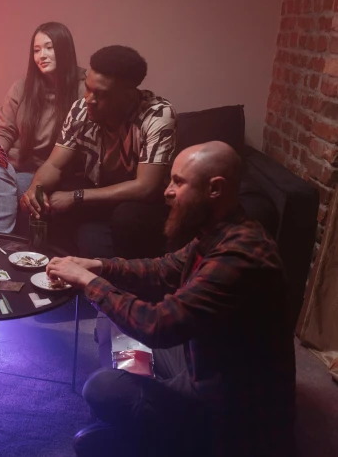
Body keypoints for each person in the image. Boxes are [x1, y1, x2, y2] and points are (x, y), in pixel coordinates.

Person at [47, 142, 296, 457]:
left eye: (178, 182)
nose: (166, 191)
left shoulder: (240, 256)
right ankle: (136, 412)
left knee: (103, 387)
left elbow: (157, 325)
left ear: (215, 189)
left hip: (228, 409)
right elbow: (163, 269)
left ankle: (158, 434)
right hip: (205, 359)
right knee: (110, 313)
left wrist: (88, 281)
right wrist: (98, 266)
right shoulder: (220, 231)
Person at [20, 44, 176, 260]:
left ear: (129, 95)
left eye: (101, 94)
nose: (89, 99)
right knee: (48, 199)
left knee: (126, 215)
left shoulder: (157, 115)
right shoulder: (82, 109)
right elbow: (54, 165)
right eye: (88, 88)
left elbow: (146, 187)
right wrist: (35, 190)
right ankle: (44, 270)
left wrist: (76, 197)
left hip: (142, 207)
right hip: (99, 197)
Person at [0, 21, 85, 233]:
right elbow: (5, 129)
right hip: (3, 164)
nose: (41, 56)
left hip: (39, 175)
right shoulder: (22, 87)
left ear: (64, 49)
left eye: (49, 47)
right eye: (36, 50)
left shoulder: (83, 89)